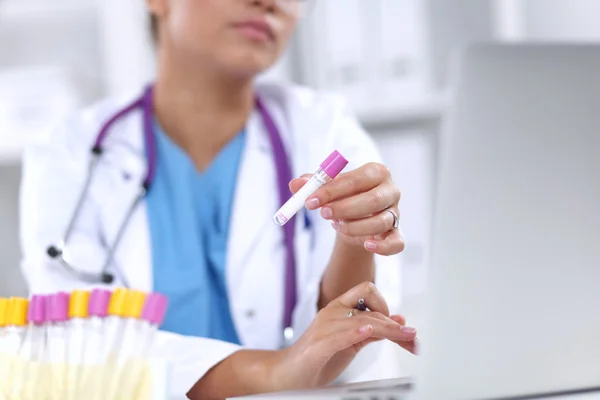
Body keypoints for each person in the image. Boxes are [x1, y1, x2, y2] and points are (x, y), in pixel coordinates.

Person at [19, 0, 416, 398]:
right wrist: (273, 372)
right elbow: (80, 344)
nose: (270, 3)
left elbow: (358, 334)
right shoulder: (69, 151)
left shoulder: (324, 126)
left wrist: (354, 240)